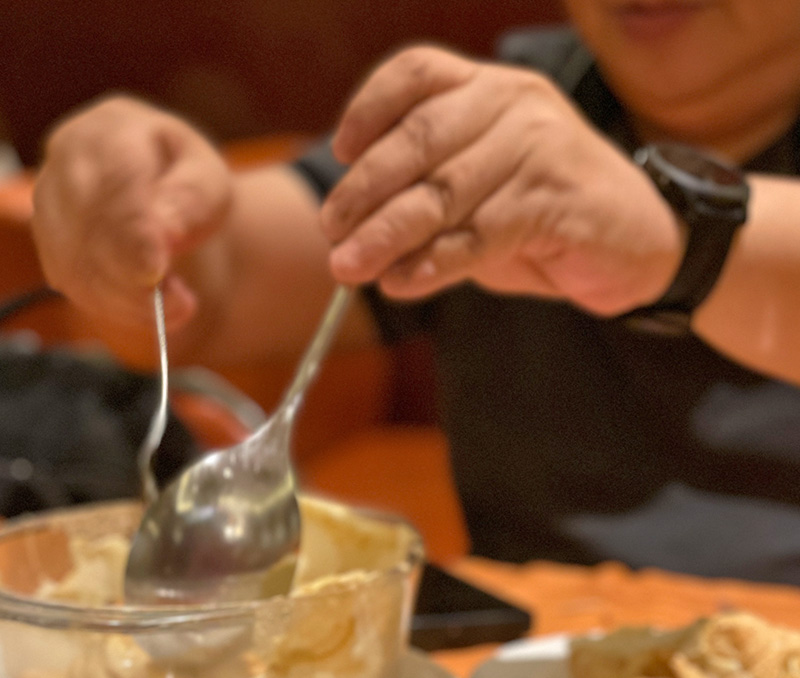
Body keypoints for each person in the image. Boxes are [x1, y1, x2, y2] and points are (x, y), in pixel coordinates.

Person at [29, 0, 800, 582]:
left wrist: (670, 236)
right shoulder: (521, 112)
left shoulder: (532, 134)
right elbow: (217, 292)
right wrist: (127, 224)